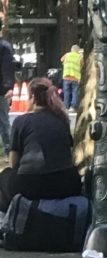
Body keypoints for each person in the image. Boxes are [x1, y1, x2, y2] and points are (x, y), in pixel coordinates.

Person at [0, 77, 81, 213]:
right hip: (68, 182)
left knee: (5, 176)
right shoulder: (62, 119)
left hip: (31, 184)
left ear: (32, 97)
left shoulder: (21, 121)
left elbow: (14, 163)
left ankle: (9, 222)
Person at [0, 20, 14, 157]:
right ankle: (9, 150)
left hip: (2, 90)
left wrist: (8, 87)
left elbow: (7, 68)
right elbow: (8, 68)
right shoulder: (4, 46)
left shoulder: (3, 47)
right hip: (2, 90)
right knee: (3, 120)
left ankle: (9, 150)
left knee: (3, 121)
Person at [60, 44, 83, 112]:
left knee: (66, 92)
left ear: (71, 49)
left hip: (66, 77)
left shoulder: (67, 55)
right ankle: (72, 107)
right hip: (75, 78)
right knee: (74, 93)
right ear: (78, 50)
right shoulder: (79, 57)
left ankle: (66, 107)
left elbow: (61, 60)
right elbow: (82, 64)